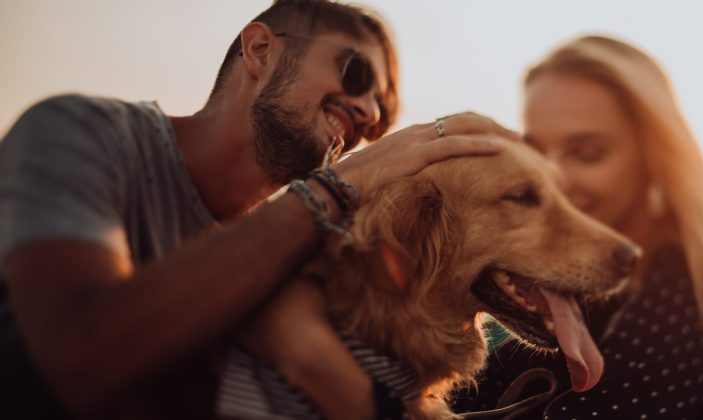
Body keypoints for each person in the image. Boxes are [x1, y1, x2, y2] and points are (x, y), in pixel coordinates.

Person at [0, 1, 514, 419]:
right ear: (261, 48)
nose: (369, 115)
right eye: (356, 74)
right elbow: (82, 357)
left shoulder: (297, 251)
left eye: (381, 120)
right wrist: (338, 187)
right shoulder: (80, 133)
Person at [453, 35, 703, 419]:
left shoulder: (689, 300)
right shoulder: (617, 276)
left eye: (588, 153)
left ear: (656, 156)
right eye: (536, 154)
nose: (552, 179)